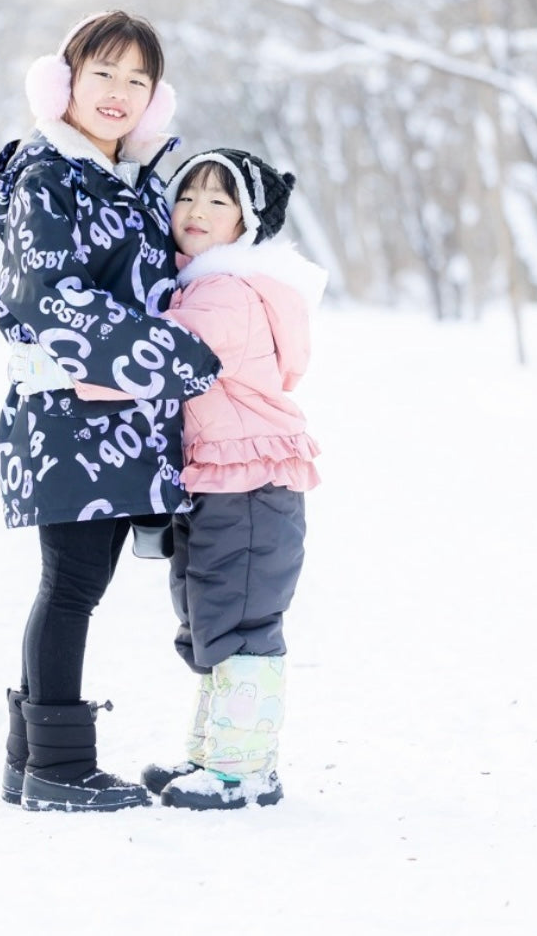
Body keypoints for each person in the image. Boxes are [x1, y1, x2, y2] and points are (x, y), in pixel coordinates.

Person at [0, 10, 221, 813]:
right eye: (103, 74)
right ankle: (57, 766)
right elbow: (54, 300)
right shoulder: (48, 175)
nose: (118, 93)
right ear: (66, 82)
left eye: (137, 80)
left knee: (75, 585)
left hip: (123, 426)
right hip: (69, 424)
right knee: (72, 584)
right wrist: (177, 356)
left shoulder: (134, 179)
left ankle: (32, 763)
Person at [140, 147, 325, 811]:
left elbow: (161, 358)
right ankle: (213, 753)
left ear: (248, 223)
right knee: (210, 612)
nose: (195, 210)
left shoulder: (224, 293)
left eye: (219, 201)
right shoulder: (204, 284)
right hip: (223, 474)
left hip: (251, 482)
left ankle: (244, 770)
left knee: (241, 618)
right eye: (187, 196)